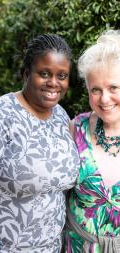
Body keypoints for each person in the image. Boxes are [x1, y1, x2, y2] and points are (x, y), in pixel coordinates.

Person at [0, 34, 79, 253]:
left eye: (61, 76)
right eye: (44, 73)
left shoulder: (61, 116)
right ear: (27, 74)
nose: (54, 82)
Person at [64, 30, 120, 253]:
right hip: (77, 246)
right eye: (95, 89)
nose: (104, 99)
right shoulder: (75, 128)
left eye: (113, 88)